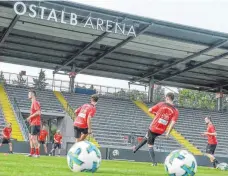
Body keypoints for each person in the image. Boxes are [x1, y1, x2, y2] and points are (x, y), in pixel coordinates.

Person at [133, 92, 179, 166]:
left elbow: (150, 110)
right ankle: (135, 148)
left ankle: (154, 163)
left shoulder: (161, 104)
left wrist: (156, 113)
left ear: (167, 98)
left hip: (153, 128)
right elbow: (172, 123)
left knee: (150, 144)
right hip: (161, 131)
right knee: (147, 136)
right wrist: (167, 133)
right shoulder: (175, 111)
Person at [27, 89, 41, 157]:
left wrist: (30, 117)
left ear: (32, 94)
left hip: (35, 123)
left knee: (34, 138)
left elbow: (38, 112)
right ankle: (31, 153)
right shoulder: (32, 103)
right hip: (32, 123)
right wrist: (30, 118)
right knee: (30, 137)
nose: (28, 95)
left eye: (29, 94)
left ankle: (37, 154)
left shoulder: (35, 102)